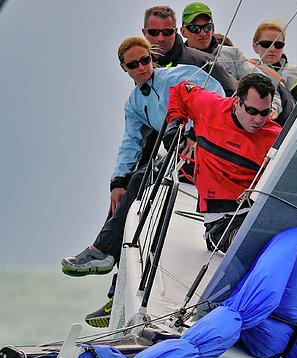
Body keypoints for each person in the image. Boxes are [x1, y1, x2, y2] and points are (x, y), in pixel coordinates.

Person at [60, 37, 225, 326]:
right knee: (125, 191)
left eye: (145, 61)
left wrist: (196, 132)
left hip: (211, 147)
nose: (141, 68)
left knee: (141, 178)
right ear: (124, 68)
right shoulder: (135, 103)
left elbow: (217, 92)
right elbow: (130, 143)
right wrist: (116, 181)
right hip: (180, 159)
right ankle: (115, 284)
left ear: (152, 59)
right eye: (133, 64)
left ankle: (102, 254)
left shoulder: (180, 75)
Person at [165, 73, 282, 252]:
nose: (258, 120)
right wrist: (175, 124)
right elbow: (180, 90)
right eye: (252, 111)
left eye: (264, 113)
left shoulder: (276, 138)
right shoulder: (211, 106)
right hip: (222, 217)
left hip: (257, 212)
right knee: (248, 246)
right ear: (237, 102)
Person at [180, 3, 290, 122]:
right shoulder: (179, 63)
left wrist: (272, 108)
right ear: (183, 32)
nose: (203, 33)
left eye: (207, 27)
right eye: (195, 29)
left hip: (238, 124)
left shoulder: (233, 54)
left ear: (213, 28)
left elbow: (265, 86)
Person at [142, 5, 237, 96]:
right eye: (154, 32)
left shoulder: (204, 62)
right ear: (144, 33)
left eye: (167, 32)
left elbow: (232, 97)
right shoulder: (139, 66)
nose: (161, 38)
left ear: (175, 32)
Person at [251, 20, 297, 102]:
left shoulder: (293, 73)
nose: (272, 49)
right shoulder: (249, 71)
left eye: (278, 45)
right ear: (255, 47)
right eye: (266, 44)